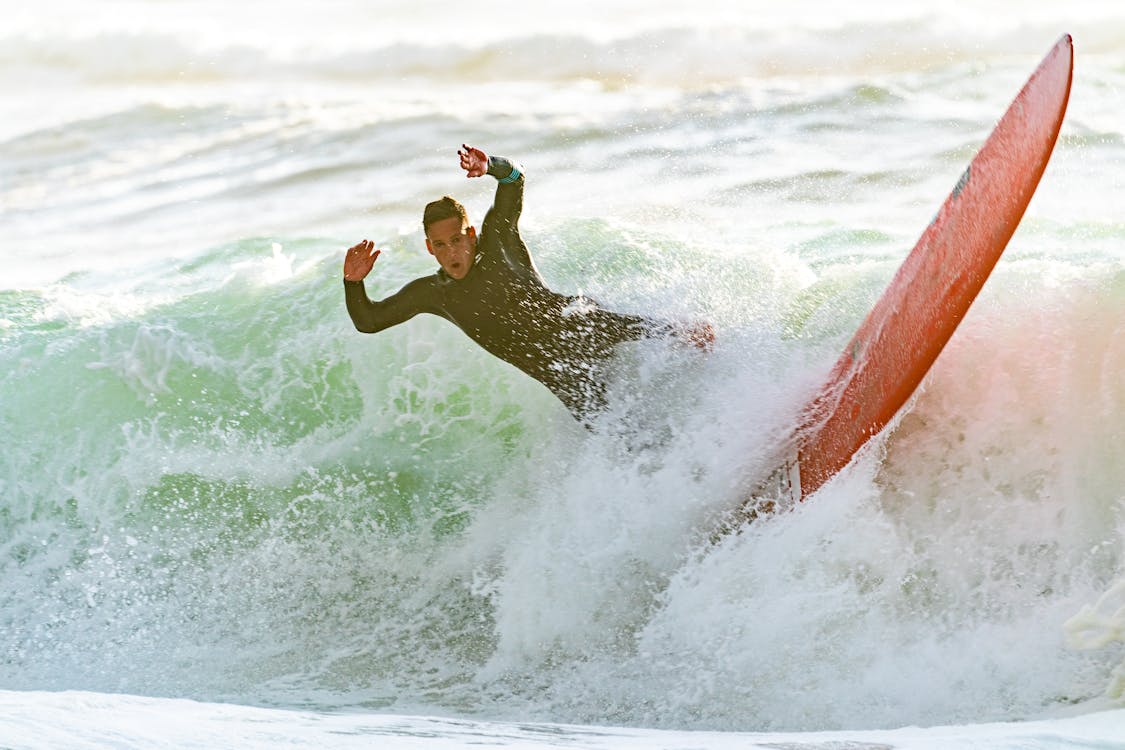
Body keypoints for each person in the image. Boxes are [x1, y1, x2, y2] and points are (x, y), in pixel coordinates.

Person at [342, 145, 713, 424]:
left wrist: (490, 167)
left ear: (470, 234)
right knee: (629, 437)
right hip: (564, 376)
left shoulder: (497, 238)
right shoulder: (433, 293)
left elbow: (514, 178)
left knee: (686, 339)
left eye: (457, 239)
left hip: (583, 327)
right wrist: (352, 283)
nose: (452, 252)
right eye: (440, 245)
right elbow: (369, 321)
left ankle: (717, 373)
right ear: (429, 248)